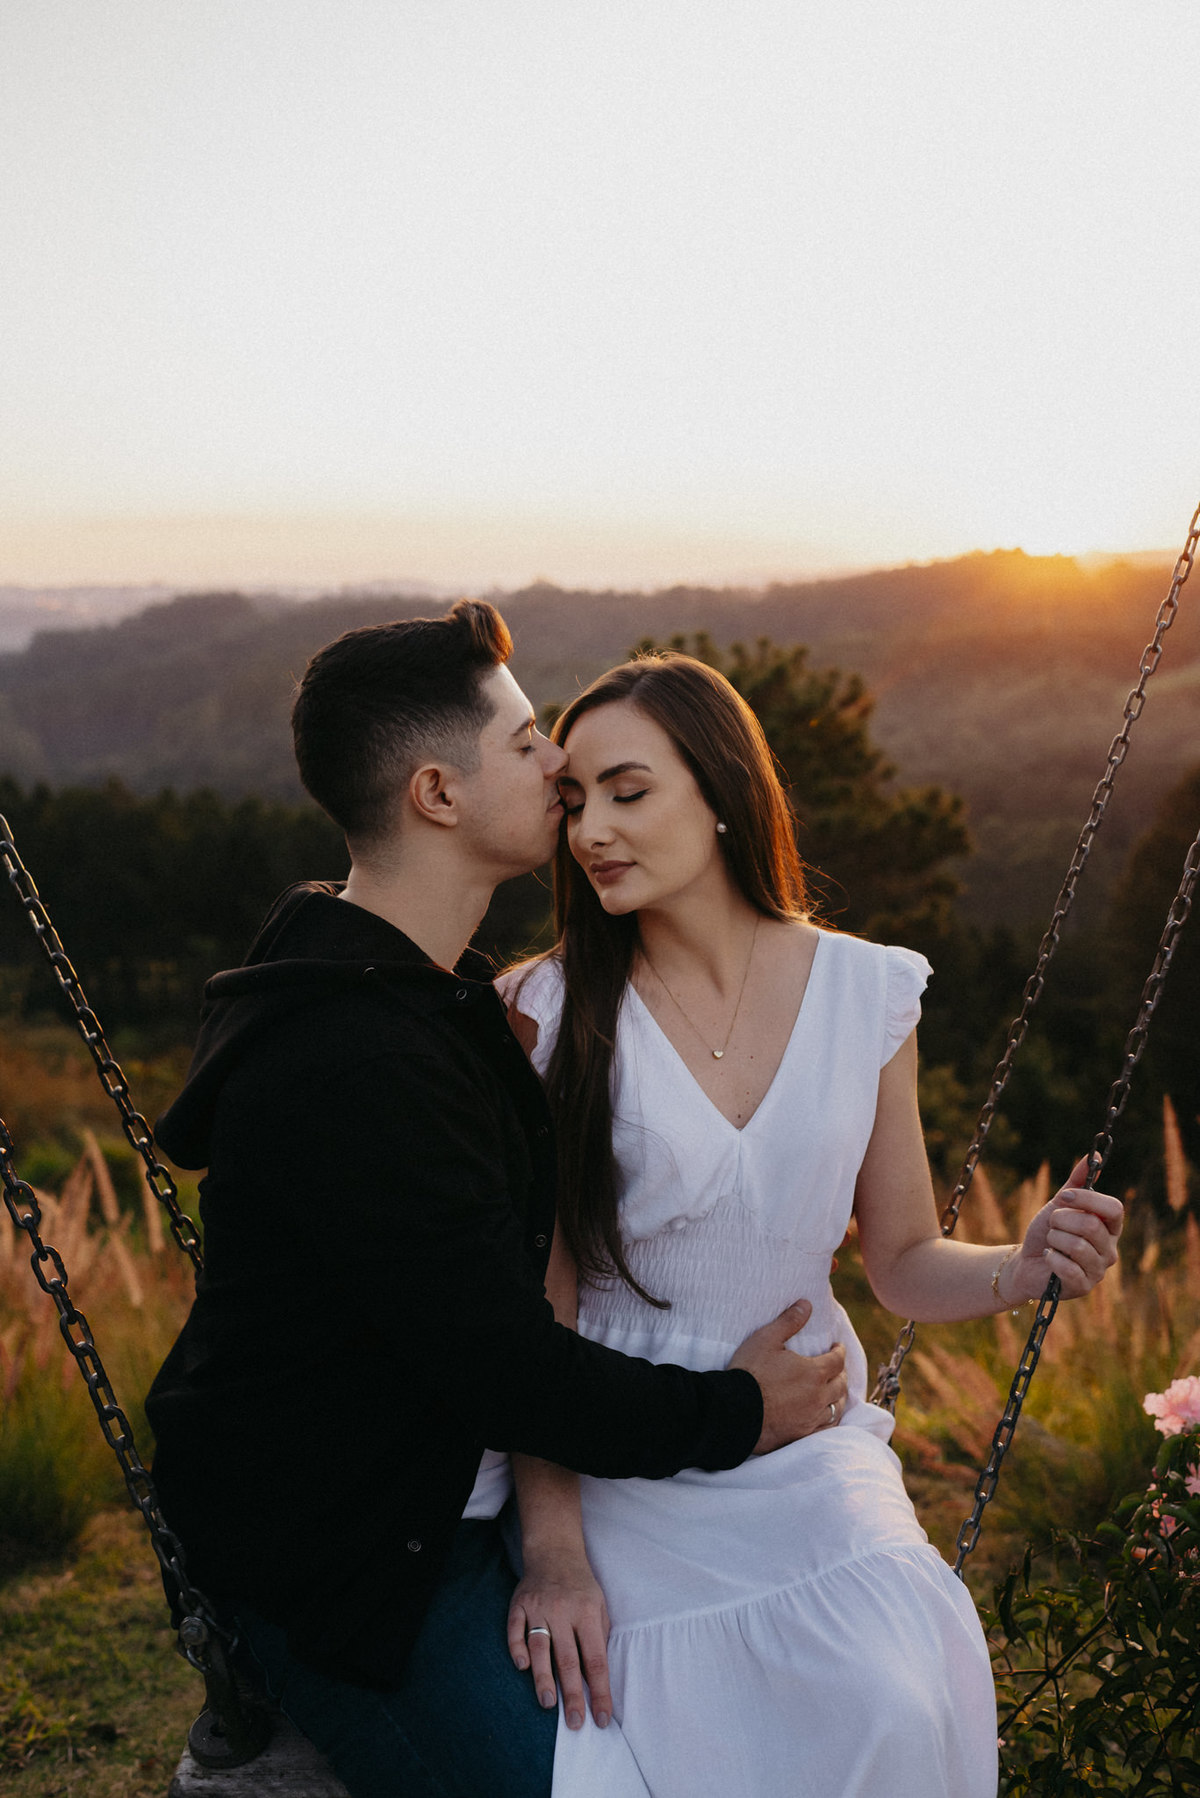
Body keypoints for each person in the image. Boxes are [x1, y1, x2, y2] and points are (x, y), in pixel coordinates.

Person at [144, 602, 846, 1798]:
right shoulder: (357, 1063)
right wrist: (739, 1409)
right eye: (526, 742)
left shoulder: (441, 1002)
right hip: (354, 1557)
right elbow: (508, 1368)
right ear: (436, 793)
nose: (558, 760)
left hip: (456, 1497)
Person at [490, 651, 1124, 1798]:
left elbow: (902, 1260)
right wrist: (555, 1549)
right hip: (628, 1453)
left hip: (807, 1450)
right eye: (574, 802)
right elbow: (544, 1307)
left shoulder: (865, 991)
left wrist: (1021, 1268)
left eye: (629, 793)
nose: (591, 832)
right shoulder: (549, 1009)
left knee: (894, 1695)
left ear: (723, 795)